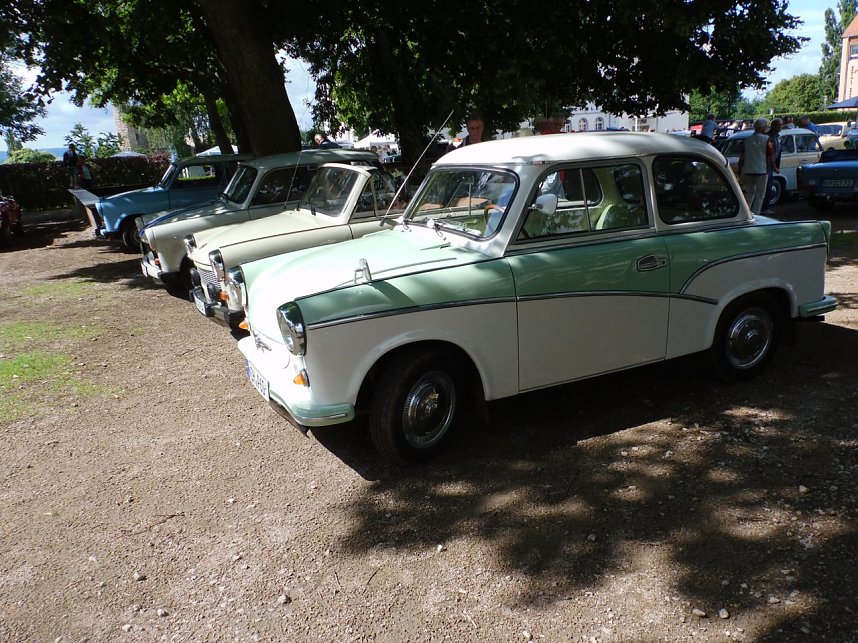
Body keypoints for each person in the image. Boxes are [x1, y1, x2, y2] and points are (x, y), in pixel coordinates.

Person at [738, 118, 774, 215]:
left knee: (749, 192)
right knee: (760, 194)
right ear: (761, 128)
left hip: (748, 169)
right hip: (762, 169)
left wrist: (740, 168)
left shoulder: (747, 140)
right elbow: (770, 155)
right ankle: (756, 213)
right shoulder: (766, 139)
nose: (766, 128)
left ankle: (746, 212)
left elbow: (742, 156)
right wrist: (774, 167)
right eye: (765, 126)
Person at [761, 118, 782, 215]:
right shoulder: (769, 137)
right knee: (767, 187)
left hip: (770, 166)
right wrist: (774, 166)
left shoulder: (776, 137)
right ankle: (764, 208)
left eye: (781, 125)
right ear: (774, 126)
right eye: (779, 125)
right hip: (767, 166)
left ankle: (764, 207)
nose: (780, 127)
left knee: (768, 186)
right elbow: (770, 154)